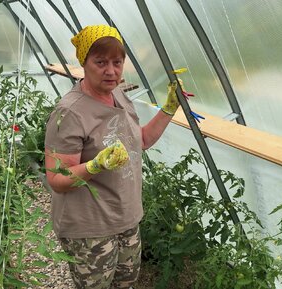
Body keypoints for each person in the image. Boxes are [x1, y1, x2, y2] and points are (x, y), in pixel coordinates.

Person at [44, 24, 189, 289]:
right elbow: (56, 178)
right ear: (84, 63)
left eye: (117, 62)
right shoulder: (69, 113)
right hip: (90, 227)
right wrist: (96, 164)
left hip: (126, 217)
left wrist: (169, 108)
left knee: (126, 284)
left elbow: (142, 140)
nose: (111, 71)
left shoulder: (118, 95)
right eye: (100, 62)